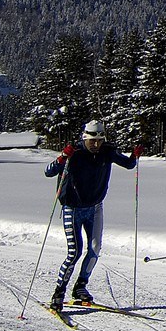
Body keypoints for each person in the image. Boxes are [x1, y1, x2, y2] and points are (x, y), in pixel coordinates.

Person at [42, 120, 140, 308]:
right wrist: (62, 157)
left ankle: (80, 286)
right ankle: (59, 292)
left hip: (95, 207)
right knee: (75, 252)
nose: (96, 144)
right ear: (85, 138)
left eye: (99, 140)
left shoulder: (107, 151)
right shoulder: (75, 154)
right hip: (72, 208)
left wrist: (134, 156)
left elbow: (128, 165)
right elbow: (48, 172)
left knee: (95, 250)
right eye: (92, 141)